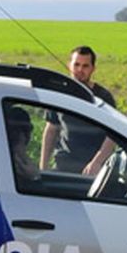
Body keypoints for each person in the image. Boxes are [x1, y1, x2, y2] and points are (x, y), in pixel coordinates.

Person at [40, 46, 117, 175]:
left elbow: (113, 135)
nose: (80, 70)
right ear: (69, 65)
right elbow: (51, 130)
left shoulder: (103, 97)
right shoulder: (58, 94)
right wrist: (43, 167)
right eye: (76, 65)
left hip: (92, 170)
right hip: (62, 166)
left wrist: (97, 162)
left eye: (85, 66)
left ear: (93, 68)